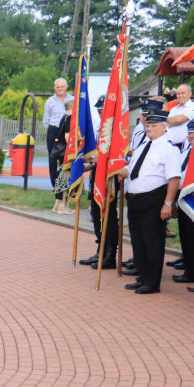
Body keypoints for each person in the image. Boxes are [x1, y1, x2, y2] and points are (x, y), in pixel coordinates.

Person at [116, 109, 182, 294]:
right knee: (138, 241)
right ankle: (143, 277)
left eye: (153, 126)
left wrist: (168, 204)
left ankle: (152, 282)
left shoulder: (169, 149)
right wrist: (124, 172)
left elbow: (174, 178)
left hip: (153, 199)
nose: (149, 129)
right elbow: (137, 169)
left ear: (164, 128)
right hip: (135, 200)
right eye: (147, 125)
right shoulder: (145, 145)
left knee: (152, 242)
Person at [78, 96, 119, 270]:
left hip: (109, 175)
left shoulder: (116, 131)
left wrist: (99, 161)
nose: (102, 113)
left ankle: (109, 254)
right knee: (96, 213)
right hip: (97, 174)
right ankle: (100, 250)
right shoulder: (100, 129)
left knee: (107, 214)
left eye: (104, 110)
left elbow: (117, 156)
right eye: (100, 111)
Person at [175, 117, 194, 289]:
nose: (191, 135)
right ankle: (191, 269)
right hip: (183, 196)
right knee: (186, 236)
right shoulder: (186, 151)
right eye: (190, 132)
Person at [43, 78, 72, 203]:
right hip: (54, 130)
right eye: (58, 87)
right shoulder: (50, 101)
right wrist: (53, 131)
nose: (60, 89)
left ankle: (68, 185)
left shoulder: (73, 99)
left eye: (62, 86)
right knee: (53, 157)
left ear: (66, 87)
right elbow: (46, 120)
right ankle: (55, 184)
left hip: (69, 131)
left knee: (68, 157)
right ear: (55, 88)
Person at [51, 99, 74, 214]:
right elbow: (67, 136)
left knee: (60, 176)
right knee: (64, 176)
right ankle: (61, 205)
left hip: (60, 151)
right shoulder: (69, 118)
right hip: (66, 151)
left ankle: (56, 204)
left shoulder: (63, 117)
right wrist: (72, 150)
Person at [167, 83, 194, 151]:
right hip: (170, 146)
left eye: (183, 93)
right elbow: (167, 124)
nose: (180, 95)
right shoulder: (173, 109)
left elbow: (179, 120)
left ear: (190, 93)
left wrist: (166, 118)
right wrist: (175, 120)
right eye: (178, 93)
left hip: (184, 147)